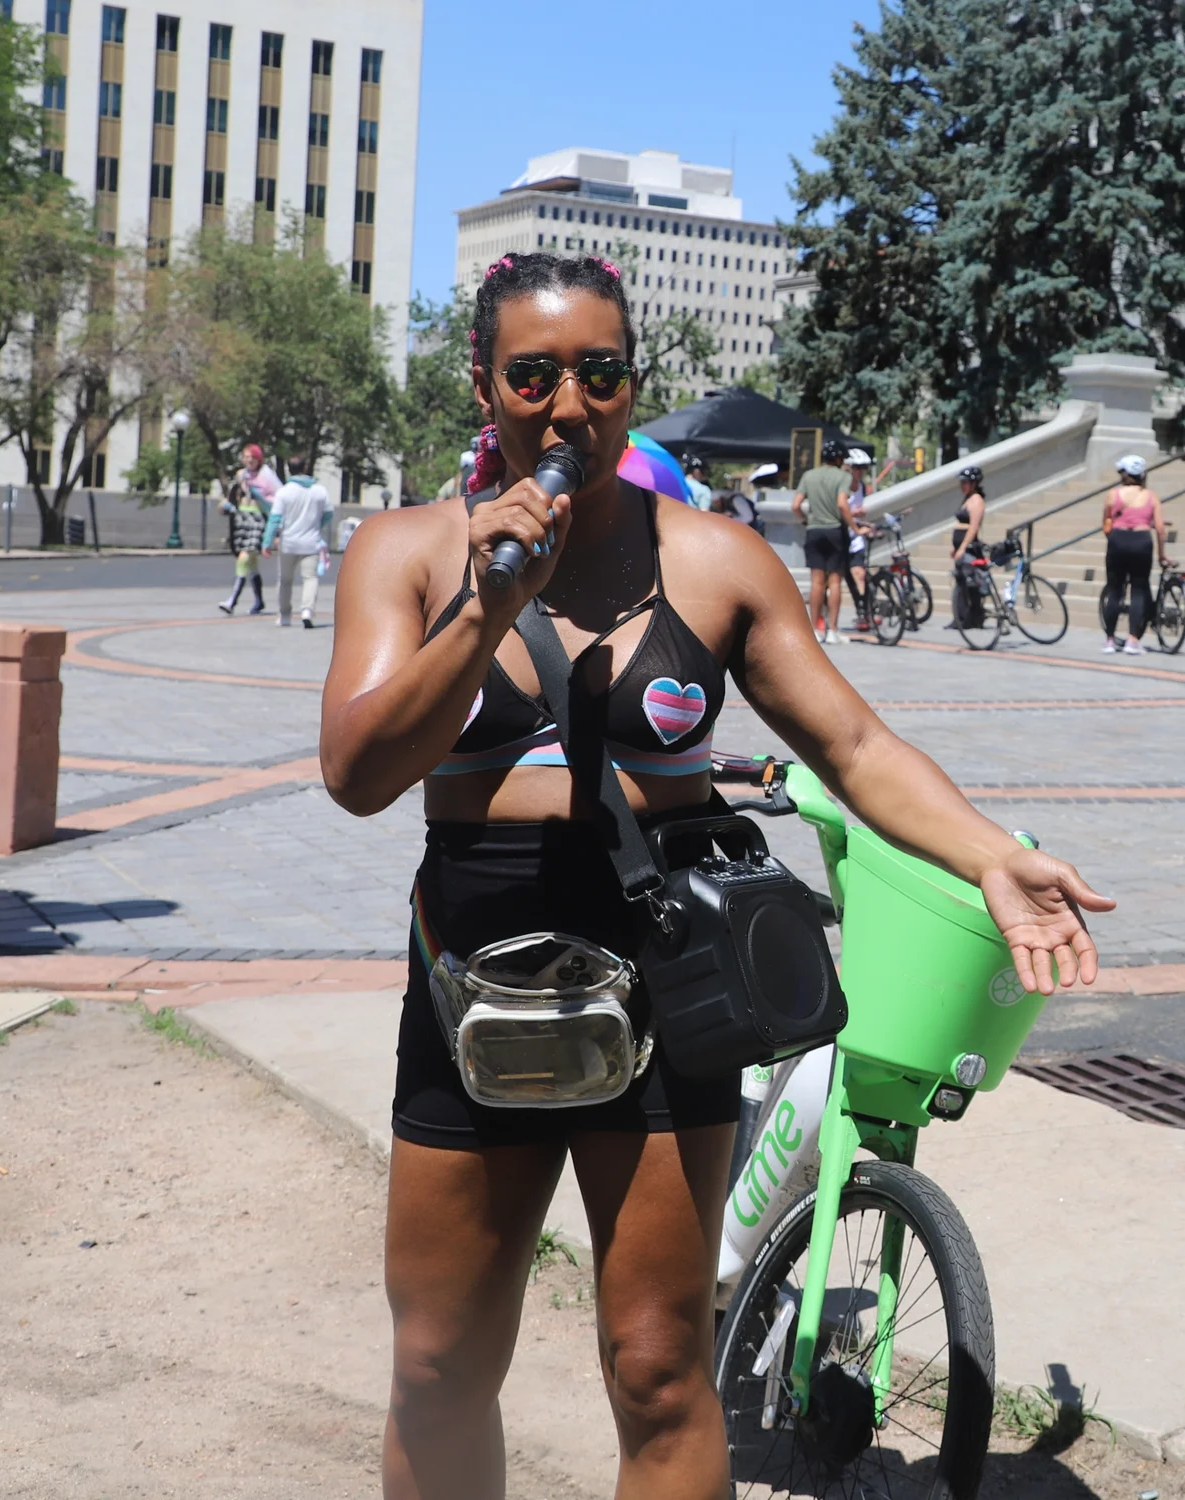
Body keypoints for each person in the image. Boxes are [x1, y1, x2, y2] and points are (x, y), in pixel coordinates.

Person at [318, 249, 1113, 1500]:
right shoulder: (407, 552)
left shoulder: (715, 561)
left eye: (600, 373)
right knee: (439, 1361)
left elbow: (855, 746)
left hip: (665, 975)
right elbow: (358, 771)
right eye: (533, 375)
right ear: (484, 386)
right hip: (477, 969)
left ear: (631, 385)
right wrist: (484, 607)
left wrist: (994, 859)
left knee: (657, 1364)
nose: (568, 405)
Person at [1101, 454, 1170, 655]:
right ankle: (1132, 640)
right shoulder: (1151, 496)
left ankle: (1110, 640)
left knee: (1114, 590)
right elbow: (1160, 529)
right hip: (1141, 542)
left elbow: (1106, 523)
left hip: (1118, 541)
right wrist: (1162, 555)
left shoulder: (1112, 495)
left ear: (1124, 474)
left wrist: (1115, 540)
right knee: (1139, 590)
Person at [792, 437, 854, 643]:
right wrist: (855, 527)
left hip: (814, 530)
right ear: (839, 458)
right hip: (835, 530)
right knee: (835, 581)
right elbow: (842, 504)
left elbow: (796, 505)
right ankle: (833, 630)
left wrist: (805, 520)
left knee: (817, 582)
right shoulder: (843, 476)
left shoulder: (809, 475)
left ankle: (815, 630)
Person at [262, 456, 334, 628]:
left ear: (289, 469)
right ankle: (307, 610)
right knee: (310, 577)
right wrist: (317, 525)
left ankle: (285, 615)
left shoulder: (284, 492)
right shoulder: (319, 490)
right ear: (306, 467)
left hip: (289, 542)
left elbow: (274, 519)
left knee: (285, 580)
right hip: (311, 542)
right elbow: (329, 514)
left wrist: (267, 542)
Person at [217, 476, 269, 615]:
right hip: (243, 528)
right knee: (252, 566)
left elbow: (268, 506)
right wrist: (226, 504)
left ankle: (232, 601)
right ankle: (259, 601)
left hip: (256, 526)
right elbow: (224, 508)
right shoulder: (237, 491)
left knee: (243, 559)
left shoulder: (261, 489)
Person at [951, 465, 988, 629]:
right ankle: (961, 617)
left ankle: (972, 616)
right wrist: (955, 547)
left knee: (970, 582)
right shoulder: (967, 499)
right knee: (961, 582)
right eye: (962, 482)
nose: (962, 486)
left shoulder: (977, 501)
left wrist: (963, 547)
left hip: (970, 548)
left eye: (965, 482)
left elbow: (974, 527)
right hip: (961, 546)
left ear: (974, 483)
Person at [844, 448, 874, 630]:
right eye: (857, 467)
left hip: (856, 537)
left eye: (863, 468)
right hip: (842, 535)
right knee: (846, 577)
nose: (860, 471)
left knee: (859, 574)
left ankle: (865, 612)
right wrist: (853, 514)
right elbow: (839, 509)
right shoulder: (843, 487)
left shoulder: (862, 487)